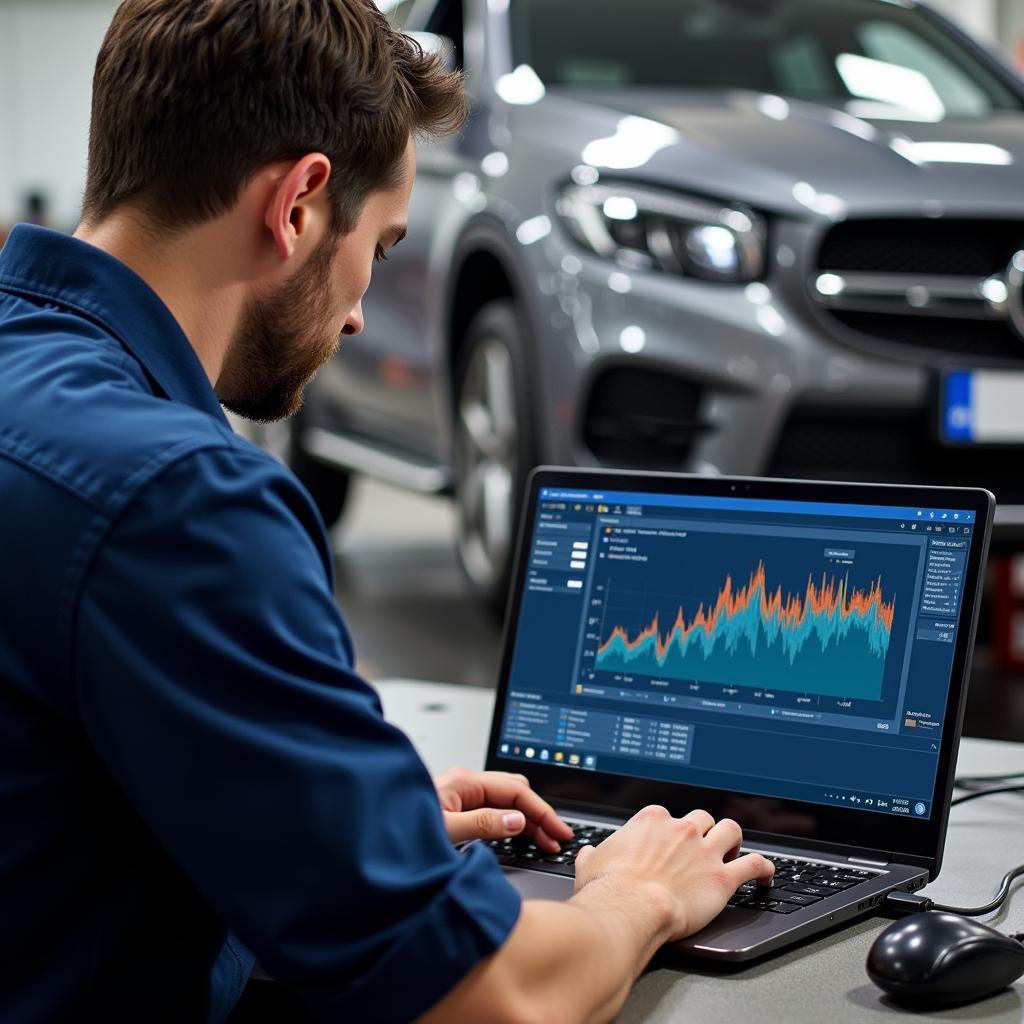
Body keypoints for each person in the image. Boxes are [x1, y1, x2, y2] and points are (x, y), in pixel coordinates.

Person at [0, 1, 773, 1021]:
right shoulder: (182, 498)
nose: (362, 308)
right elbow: (492, 999)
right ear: (301, 206)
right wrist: (637, 893)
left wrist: (337, 823)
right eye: (383, 243)